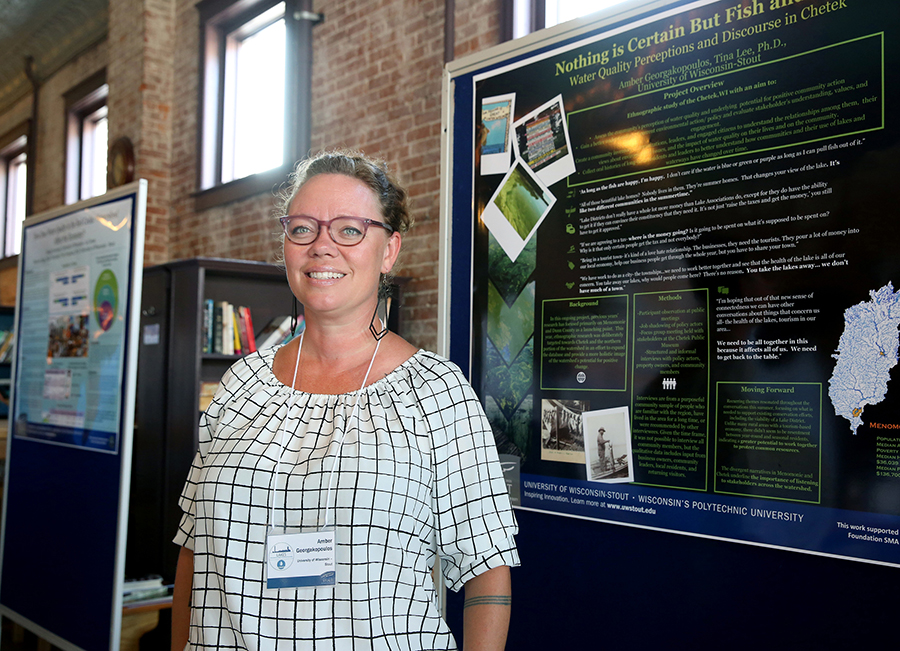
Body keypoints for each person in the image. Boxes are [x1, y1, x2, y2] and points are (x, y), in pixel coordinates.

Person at [171, 150, 519, 650]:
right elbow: (192, 552)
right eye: (303, 228)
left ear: (389, 250)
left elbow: (488, 570)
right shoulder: (240, 386)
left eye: (350, 231)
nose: (322, 247)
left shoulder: (436, 393)